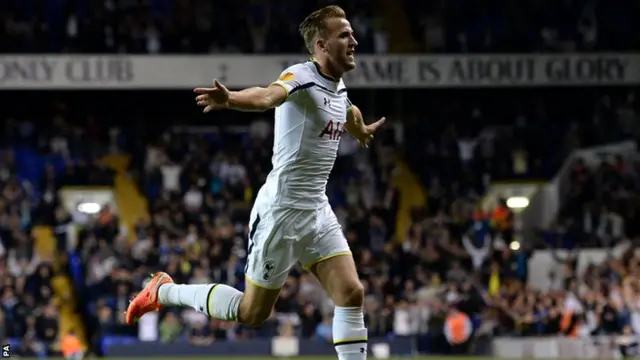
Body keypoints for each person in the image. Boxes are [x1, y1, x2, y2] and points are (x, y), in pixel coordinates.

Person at [125, 6, 385, 360]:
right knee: (251, 313)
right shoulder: (301, 76)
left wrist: (360, 129)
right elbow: (267, 95)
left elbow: (346, 109)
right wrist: (231, 99)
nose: (354, 40)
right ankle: (164, 291)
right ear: (322, 45)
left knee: (352, 293)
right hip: (281, 214)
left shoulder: (337, 86)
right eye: (345, 36)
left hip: (317, 210)